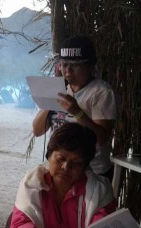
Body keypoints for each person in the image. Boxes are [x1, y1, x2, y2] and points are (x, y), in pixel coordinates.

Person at [8, 123, 116, 228]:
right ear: (49, 155)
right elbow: (23, 219)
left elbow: (101, 227)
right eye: (60, 159)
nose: (66, 167)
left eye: (76, 163)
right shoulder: (31, 184)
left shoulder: (98, 190)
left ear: (85, 167)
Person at [34, 35, 117, 179]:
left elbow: (101, 138)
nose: (68, 71)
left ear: (91, 67)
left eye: (76, 65)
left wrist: (77, 113)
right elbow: (37, 130)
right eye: (64, 65)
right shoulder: (60, 89)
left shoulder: (101, 92)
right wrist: (51, 97)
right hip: (60, 168)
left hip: (91, 172)